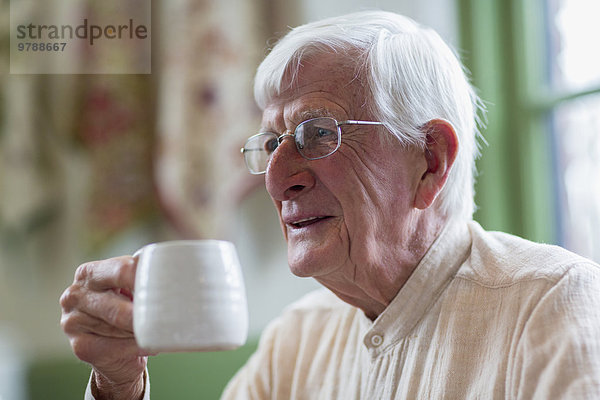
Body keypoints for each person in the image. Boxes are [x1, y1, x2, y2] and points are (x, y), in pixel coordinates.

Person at [60, 10, 600, 400]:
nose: (277, 179)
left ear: (431, 160)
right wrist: (119, 381)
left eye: (317, 133)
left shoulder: (553, 308)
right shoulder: (295, 343)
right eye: (271, 143)